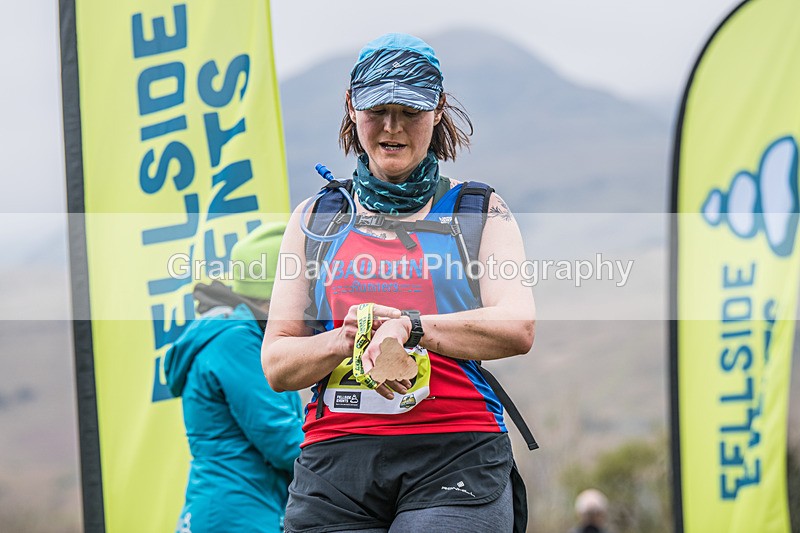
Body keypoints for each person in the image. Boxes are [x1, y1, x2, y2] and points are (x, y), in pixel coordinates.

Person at [262, 33, 535, 532]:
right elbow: (278, 363)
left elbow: (517, 325)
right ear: (350, 108)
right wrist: (350, 336)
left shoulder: (478, 209)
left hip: (456, 450)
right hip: (336, 464)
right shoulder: (316, 218)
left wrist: (409, 327)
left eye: (409, 111)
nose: (392, 128)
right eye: (377, 110)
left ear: (437, 109)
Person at [165, 222, 305, 533]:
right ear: (276, 293)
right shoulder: (236, 341)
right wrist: (348, 457)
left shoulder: (239, 337)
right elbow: (280, 436)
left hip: (241, 509)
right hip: (237, 516)